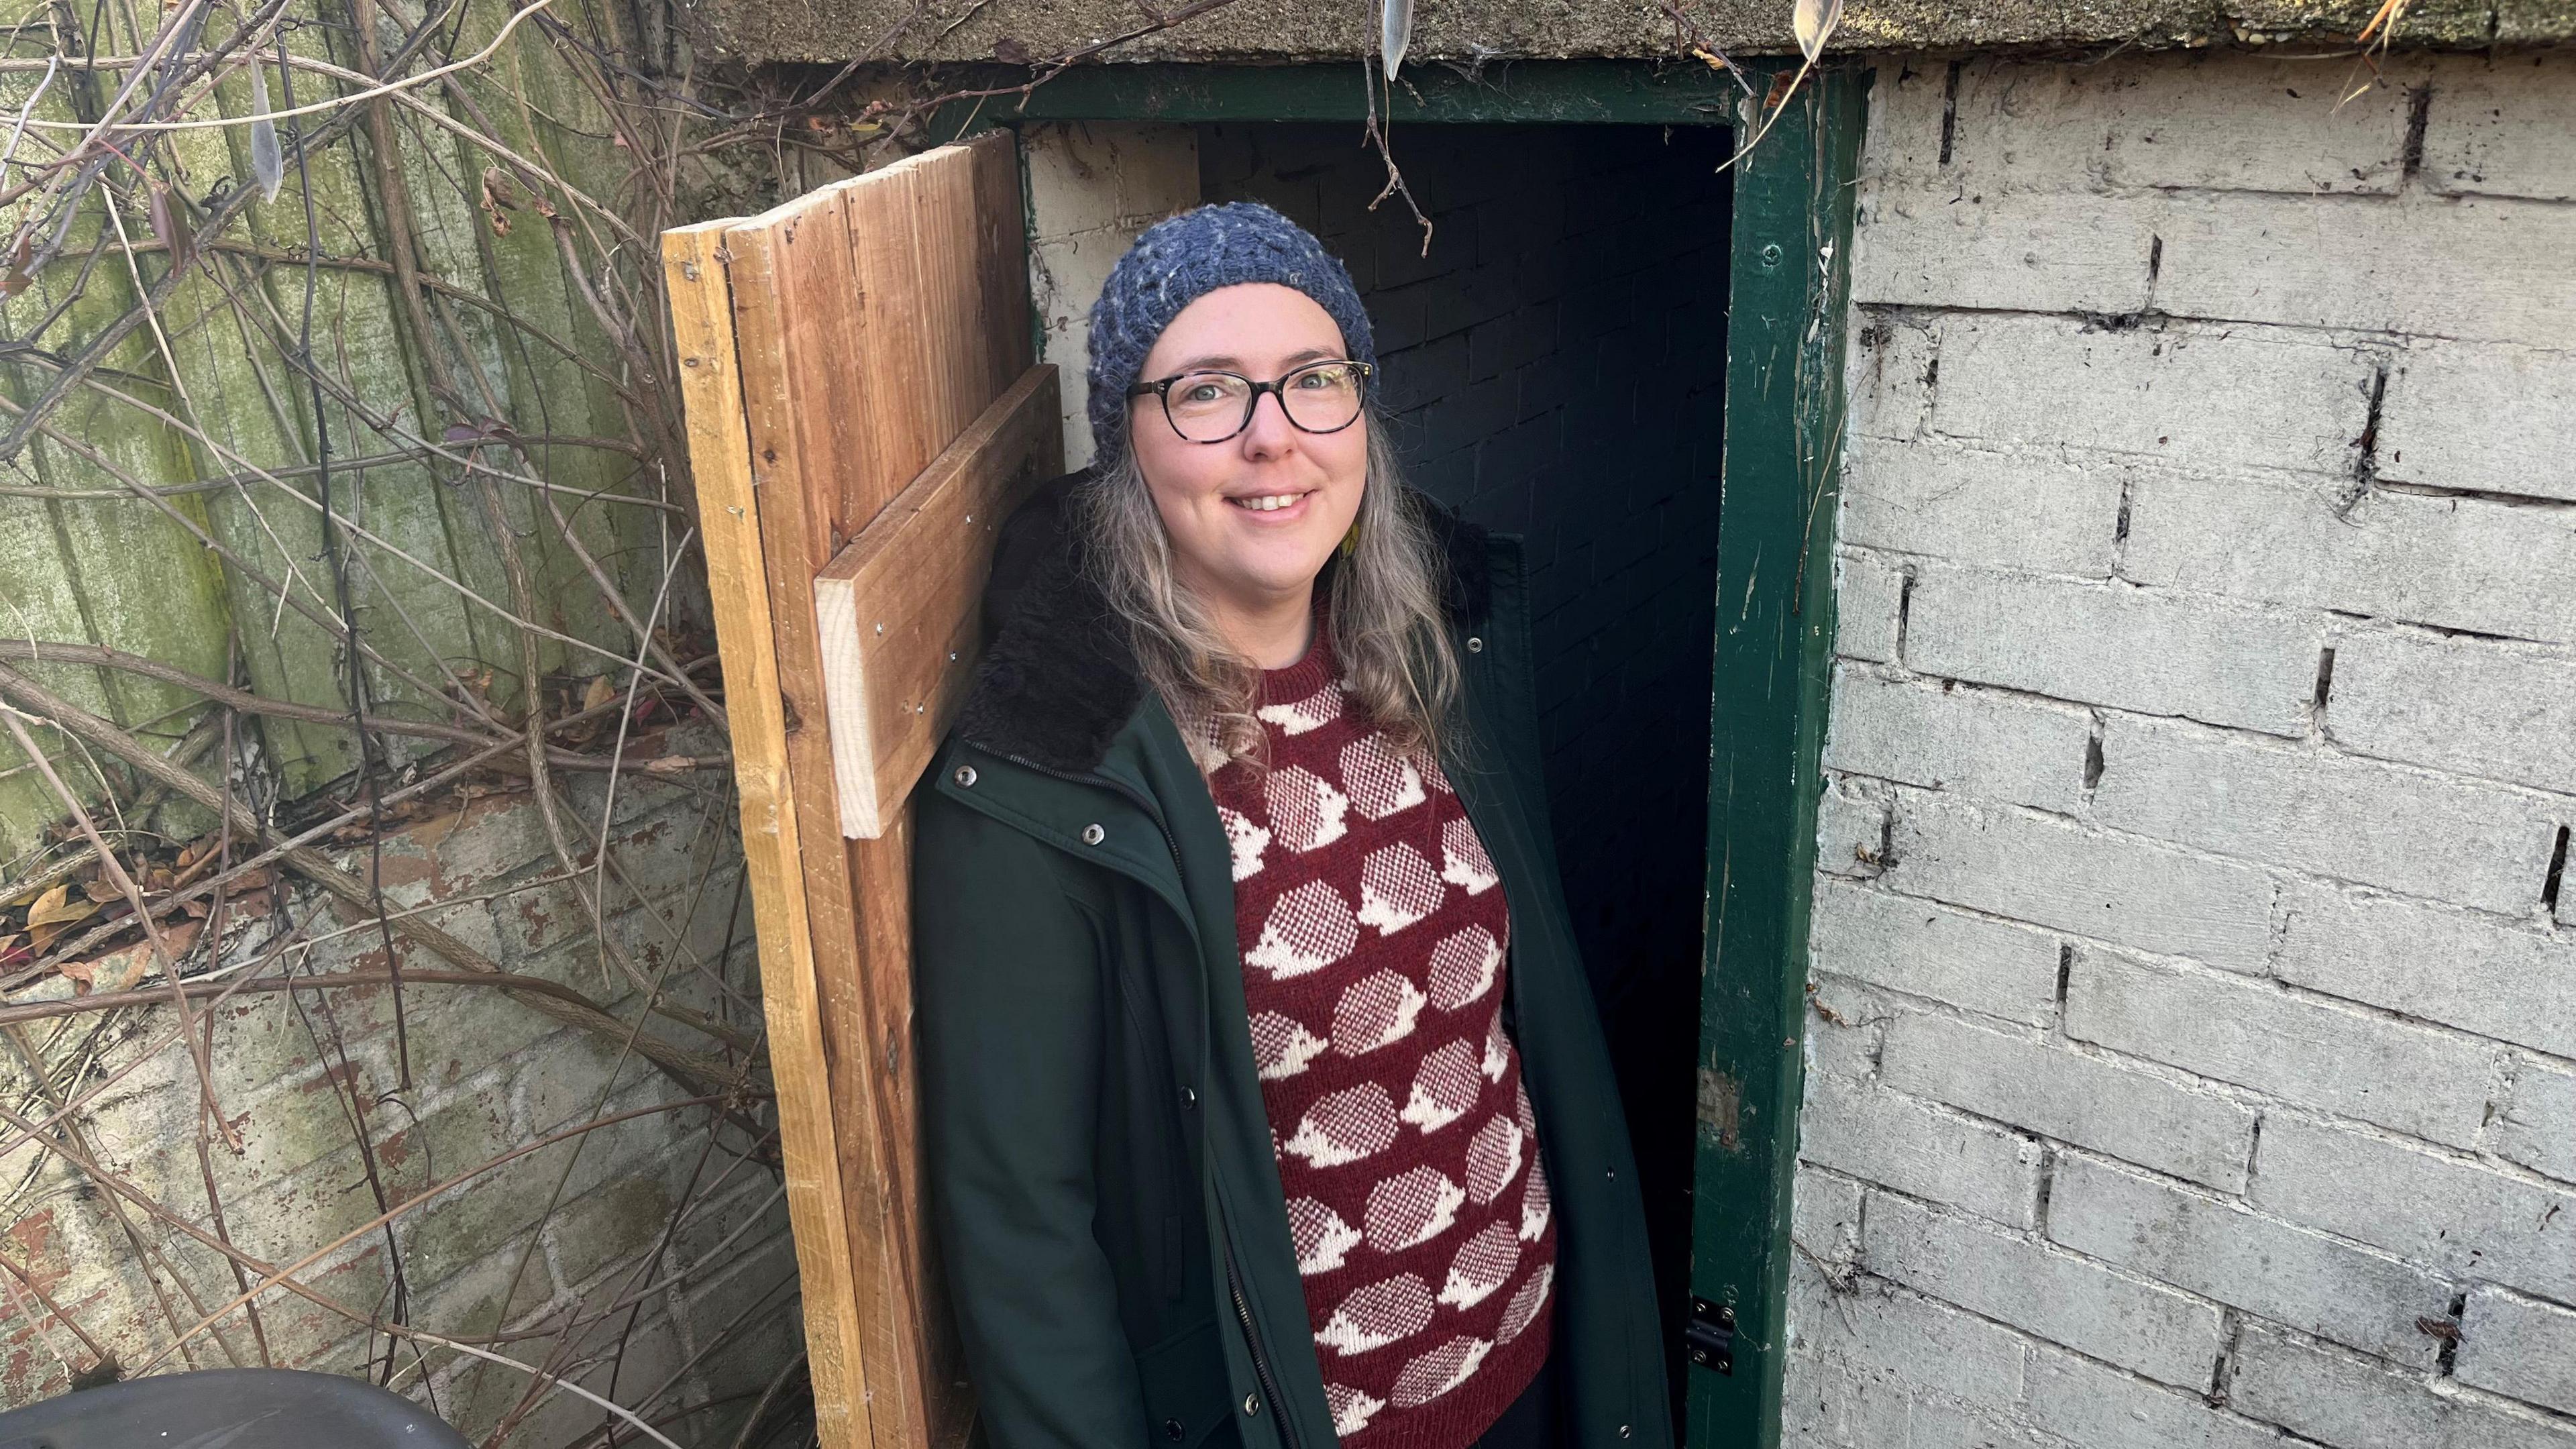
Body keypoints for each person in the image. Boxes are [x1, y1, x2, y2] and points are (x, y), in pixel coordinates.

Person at [912, 201, 1670, 1449]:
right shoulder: (1054, 779)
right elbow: (1021, 1229)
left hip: (1525, 1360)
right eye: (1207, 393)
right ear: (1130, 445)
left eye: (1314, 382)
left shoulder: (1436, 650)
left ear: (1360, 418)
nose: (1274, 439)